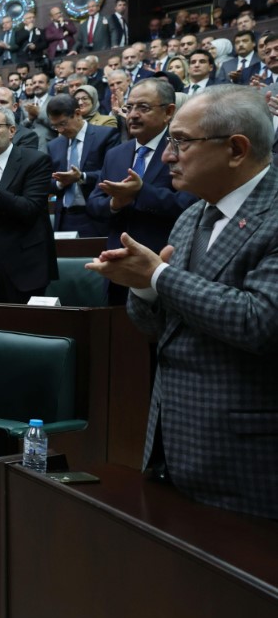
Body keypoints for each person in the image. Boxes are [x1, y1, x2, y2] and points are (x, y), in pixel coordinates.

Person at [86, 85, 278, 519]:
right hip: (172, 447)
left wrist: (158, 275)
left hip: (246, 461)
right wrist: (143, 287)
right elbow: (156, 328)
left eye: (182, 142)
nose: (168, 156)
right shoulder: (193, 214)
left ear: (235, 149)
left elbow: (261, 320)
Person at [86, 79, 199, 305]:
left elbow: (189, 205)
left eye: (143, 108)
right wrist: (115, 204)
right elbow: (94, 203)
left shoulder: (184, 149)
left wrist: (141, 191)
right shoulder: (116, 154)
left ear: (169, 112)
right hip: (118, 267)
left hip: (164, 267)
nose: (133, 115)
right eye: (129, 108)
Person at [0, 107, 57, 303]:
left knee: (24, 330)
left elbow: (29, 209)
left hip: (25, 267)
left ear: (12, 131)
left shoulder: (35, 161)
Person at [46, 94, 120, 237]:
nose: (60, 130)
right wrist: (61, 183)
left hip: (95, 216)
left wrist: (82, 177)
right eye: (55, 126)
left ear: (78, 114)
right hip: (64, 218)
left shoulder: (105, 135)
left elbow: (113, 175)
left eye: (63, 124)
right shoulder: (54, 146)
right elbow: (47, 182)